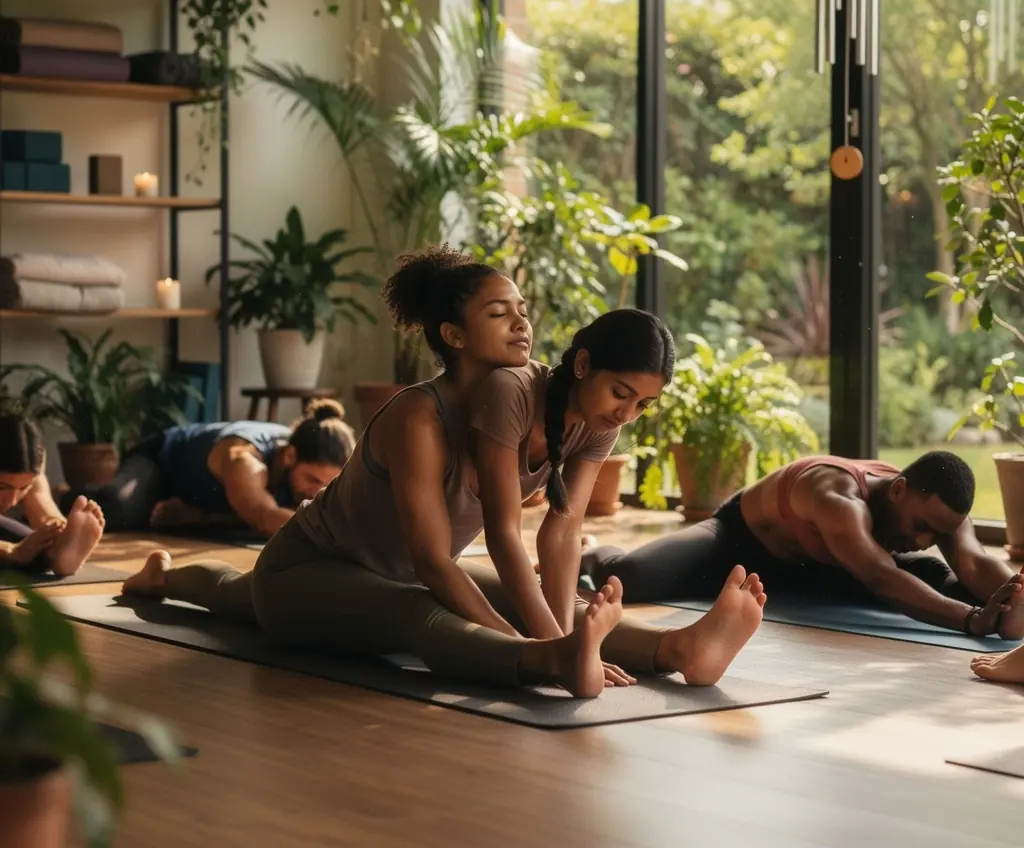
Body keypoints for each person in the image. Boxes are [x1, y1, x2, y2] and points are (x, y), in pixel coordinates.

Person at [121, 248, 765, 697]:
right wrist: (540, 643)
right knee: (407, 612)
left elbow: (557, 537)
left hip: (386, 574)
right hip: (311, 572)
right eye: (498, 312)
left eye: (521, 309)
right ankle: (546, 662)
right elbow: (433, 560)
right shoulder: (418, 418)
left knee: (539, 600)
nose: (521, 321)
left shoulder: (544, 404)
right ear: (454, 336)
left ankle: (677, 650)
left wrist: (550, 620)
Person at [467, 308, 765, 686]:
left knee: (562, 607)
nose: (626, 413)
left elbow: (562, 533)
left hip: (442, 562)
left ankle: (680, 648)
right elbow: (503, 533)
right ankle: (570, 653)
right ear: (583, 364)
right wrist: (560, 649)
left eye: (642, 404)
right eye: (620, 393)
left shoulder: (599, 424)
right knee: (463, 613)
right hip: (408, 570)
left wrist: (569, 645)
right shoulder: (512, 391)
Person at [581, 452, 1024, 639]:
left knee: (952, 583)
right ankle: (590, 548)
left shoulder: (936, 508)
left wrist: (1013, 593)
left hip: (828, 568)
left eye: (937, 534)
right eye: (921, 527)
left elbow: (975, 561)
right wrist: (970, 620)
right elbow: (880, 577)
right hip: (741, 547)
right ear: (898, 490)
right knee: (629, 577)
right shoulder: (837, 498)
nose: (925, 541)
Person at [65, 401, 355, 537]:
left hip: (198, 497)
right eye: (312, 479)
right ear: (290, 456)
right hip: (161, 461)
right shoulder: (246, 459)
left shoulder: (301, 469)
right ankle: (64, 497)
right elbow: (264, 519)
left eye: (326, 485)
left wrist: (199, 515)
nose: (316, 492)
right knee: (119, 511)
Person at [0, 413, 105, 575]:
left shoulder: (32, 463)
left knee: (33, 545)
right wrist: (9, 551)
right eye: (2, 486)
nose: (12, 501)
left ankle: (57, 554)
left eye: (24, 487)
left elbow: (43, 510)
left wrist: (60, 533)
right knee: (20, 550)